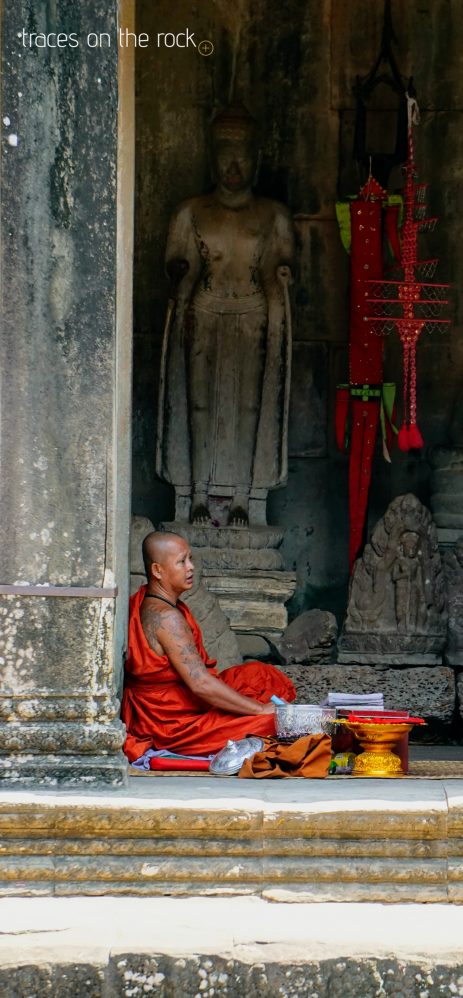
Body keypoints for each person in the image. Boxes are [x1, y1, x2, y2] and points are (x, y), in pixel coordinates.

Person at [156, 104, 295, 527]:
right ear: (212, 156)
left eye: (242, 154)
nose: (233, 165)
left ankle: (242, 500)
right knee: (197, 407)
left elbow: (281, 265)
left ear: (256, 157)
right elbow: (177, 261)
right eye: (225, 153)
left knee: (250, 409)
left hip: (252, 314)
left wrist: (281, 281)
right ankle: (196, 496)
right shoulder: (191, 212)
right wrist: (180, 277)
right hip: (205, 311)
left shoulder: (273, 215)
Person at [121, 531, 295, 763]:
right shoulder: (166, 618)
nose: (191, 567)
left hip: (174, 701)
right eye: (181, 562)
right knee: (277, 722)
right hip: (170, 722)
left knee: (263, 676)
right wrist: (258, 710)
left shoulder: (151, 602)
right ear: (157, 571)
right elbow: (201, 684)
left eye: (190, 559)